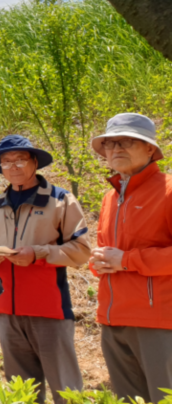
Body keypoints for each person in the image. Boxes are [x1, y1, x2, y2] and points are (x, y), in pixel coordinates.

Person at [0, 135, 90, 404]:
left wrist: (39, 254)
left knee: (66, 390)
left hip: (49, 308)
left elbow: (81, 251)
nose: (13, 167)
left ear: (34, 162)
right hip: (6, 309)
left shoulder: (60, 200)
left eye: (20, 159)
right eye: (6, 162)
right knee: (22, 393)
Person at [89, 113, 172, 403]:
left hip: (158, 322)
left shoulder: (169, 191)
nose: (116, 149)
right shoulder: (109, 198)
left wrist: (126, 260)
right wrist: (97, 262)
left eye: (127, 142)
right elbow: (104, 251)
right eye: (110, 143)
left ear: (150, 149)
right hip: (112, 319)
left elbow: (124, 257)